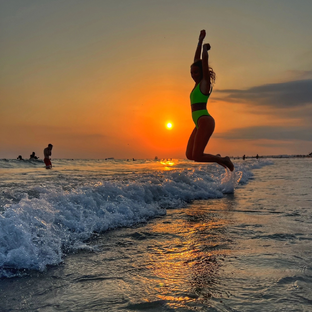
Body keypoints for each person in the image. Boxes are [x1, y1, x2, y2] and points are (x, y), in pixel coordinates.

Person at [186, 30, 234, 171]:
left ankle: (222, 159)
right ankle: (219, 158)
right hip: (198, 123)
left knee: (198, 156)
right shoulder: (196, 85)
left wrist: (205, 50)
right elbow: (197, 60)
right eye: (191, 72)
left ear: (202, 72)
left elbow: (203, 61)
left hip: (205, 120)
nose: (193, 75)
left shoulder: (204, 84)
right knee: (190, 155)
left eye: (196, 72)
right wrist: (199, 41)